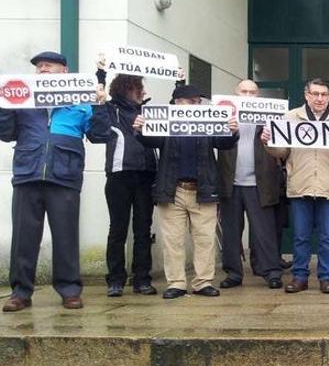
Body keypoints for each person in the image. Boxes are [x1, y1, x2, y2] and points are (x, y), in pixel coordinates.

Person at [1, 51, 110, 312]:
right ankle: (20, 292)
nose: (42, 69)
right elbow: (5, 133)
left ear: (65, 70)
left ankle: (70, 291)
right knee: (23, 238)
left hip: (65, 176)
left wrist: (100, 106)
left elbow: (99, 135)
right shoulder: (23, 100)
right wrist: (4, 104)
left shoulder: (82, 101)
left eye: (48, 65)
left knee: (65, 237)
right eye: (39, 66)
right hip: (28, 174)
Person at [134, 84, 238, 299]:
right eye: (191, 102)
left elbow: (224, 142)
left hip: (203, 189)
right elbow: (149, 140)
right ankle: (177, 283)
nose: (196, 105)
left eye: (197, 102)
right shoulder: (164, 122)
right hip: (173, 189)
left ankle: (203, 282)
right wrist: (140, 128)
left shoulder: (208, 122)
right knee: (173, 240)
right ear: (177, 103)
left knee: (205, 239)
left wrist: (232, 131)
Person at [263, 78, 329, 294]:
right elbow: (282, 152)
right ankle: (299, 277)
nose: (320, 98)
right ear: (306, 95)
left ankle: (326, 278)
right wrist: (268, 142)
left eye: (324, 94)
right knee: (301, 236)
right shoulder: (290, 118)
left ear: (328, 96)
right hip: (300, 184)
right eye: (315, 94)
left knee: (327, 236)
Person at [217, 79, 284, 290]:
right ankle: (233, 273)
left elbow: (283, 148)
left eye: (252, 92)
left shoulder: (270, 117)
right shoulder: (223, 115)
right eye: (244, 91)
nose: (248, 95)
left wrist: (271, 137)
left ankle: (271, 271)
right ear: (235, 93)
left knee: (264, 232)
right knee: (231, 232)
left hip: (260, 183)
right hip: (230, 183)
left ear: (258, 96)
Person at [99, 69, 158, 297]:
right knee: (118, 229)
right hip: (119, 174)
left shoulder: (148, 110)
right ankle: (115, 279)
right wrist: (100, 75)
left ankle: (142, 278)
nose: (142, 91)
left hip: (145, 174)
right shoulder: (110, 109)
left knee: (143, 230)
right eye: (137, 87)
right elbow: (99, 118)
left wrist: (179, 82)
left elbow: (173, 118)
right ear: (125, 89)